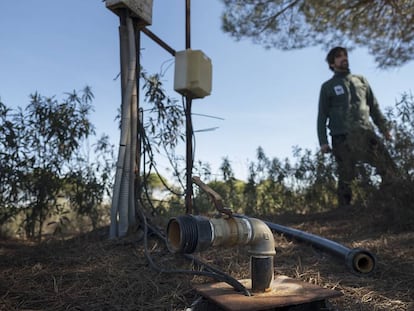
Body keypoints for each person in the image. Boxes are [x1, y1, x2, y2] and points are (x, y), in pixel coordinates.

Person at [317, 46, 396, 207]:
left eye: (345, 55)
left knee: (388, 166)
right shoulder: (328, 86)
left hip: (365, 132)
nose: (344, 58)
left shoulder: (360, 80)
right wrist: (323, 141)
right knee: (347, 174)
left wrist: (384, 129)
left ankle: (386, 201)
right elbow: (322, 115)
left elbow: (374, 107)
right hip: (341, 135)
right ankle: (345, 211)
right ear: (332, 63)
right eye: (339, 57)